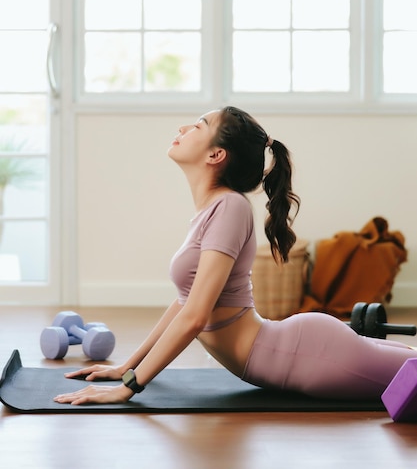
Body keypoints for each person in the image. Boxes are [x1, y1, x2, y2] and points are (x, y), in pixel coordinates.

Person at [54, 106, 415, 405]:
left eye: (198, 125)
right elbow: (185, 303)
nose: (183, 127)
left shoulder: (230, 207)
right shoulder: (212, 209)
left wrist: (128, 388)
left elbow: (195, 318)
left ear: (216, 154)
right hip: (296, 349)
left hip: (306, 355)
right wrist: (127, 366)